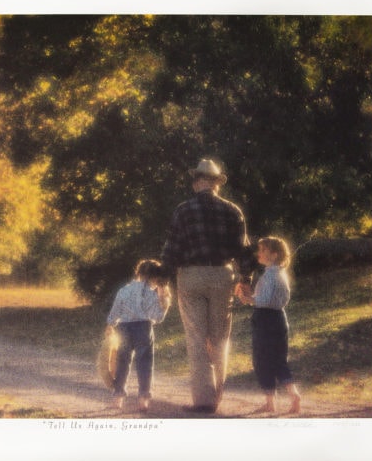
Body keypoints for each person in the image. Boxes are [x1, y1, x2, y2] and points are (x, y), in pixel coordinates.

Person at [160, 158, 255, 413]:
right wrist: (245, 281)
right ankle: (217, 398)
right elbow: (244, 251)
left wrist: (163, 281)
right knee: (220, 337)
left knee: (196, 338)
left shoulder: (183, 210)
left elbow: (172, 249)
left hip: (191, 276)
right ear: (216, 184)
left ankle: (203, 400)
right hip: (223, 276)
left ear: (198, 182)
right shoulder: (233, 210)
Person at [236, 236, 301, 414]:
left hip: (266, 320)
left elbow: (263, 301)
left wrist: (248, 298)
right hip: (279, 319)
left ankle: (271, 401)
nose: (259, 253)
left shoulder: (271, 275)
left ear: (274, 254)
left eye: (263, 250)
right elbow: (270, 299)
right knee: (279, 359)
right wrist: (249, 297)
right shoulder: (279, 274)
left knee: (262, 359)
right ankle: (292, 393)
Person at [106, 259, 172, 411]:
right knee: (145, 364)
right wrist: (164, 302)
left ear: (139, 273)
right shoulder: (153, 294)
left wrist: (110, 323)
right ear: (155, 277)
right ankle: (143, 399)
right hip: (143, 327)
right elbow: (158, 318)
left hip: (123, 327)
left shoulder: (124, 290)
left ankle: (118, 399)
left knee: (122, 363)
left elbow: (115, 310)